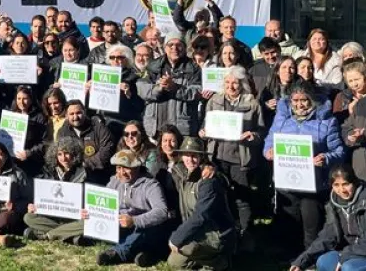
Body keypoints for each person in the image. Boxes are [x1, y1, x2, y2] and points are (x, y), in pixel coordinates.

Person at [264, 86, 344, 250]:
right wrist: (268, 152)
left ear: (312, 101)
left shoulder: (327, 122)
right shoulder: (282, 122)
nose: (300, 105)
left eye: (304, 100)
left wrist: (326, 158)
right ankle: (289, 258)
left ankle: (311, 260)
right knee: (289, 224)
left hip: (313, 185)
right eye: (295, 101)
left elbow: (339, 151)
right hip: (287, 183)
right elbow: (269, 142)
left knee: (311, 227)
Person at [200, 66, 264, 243]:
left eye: (235, 83)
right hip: (217, 156)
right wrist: (203, 132)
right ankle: (223, 231)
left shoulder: (252, 103)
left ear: (242, 84)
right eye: (227, 82)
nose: (231, 86)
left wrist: (253, 136)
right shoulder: (214, 101)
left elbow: (261, 131)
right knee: (219, 194)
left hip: (240, 158)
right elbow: (206, 125)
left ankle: (246, 233)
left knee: (242, 197)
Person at [289, 165, 366, 271]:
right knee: (324, 261)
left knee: (349, 268)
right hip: (351, 251)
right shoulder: (335, 203)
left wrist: (346, 256)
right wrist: (302, 261)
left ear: (355, 182)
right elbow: (327, 236)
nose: (341, 190)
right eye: (336, 185)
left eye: (346, 184)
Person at [167, 137, 237, 271]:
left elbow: (201, 215)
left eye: (194, 155)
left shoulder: (209, 180)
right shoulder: (181, 174)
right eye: (187, 155)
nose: (190, 159)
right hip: (198, 230)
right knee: (174, 262)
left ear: (201, 157)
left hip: (217, 234)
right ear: (181, 156)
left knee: (184, 246)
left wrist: (177, 238)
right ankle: (204, 260)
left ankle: (220, 262)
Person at [91, 150, 170, 266]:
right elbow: (104, 203)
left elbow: (162, 211)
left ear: (137, 167)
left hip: (145, 227)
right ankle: (143, 254)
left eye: (126, 168)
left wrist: (134, 221)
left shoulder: (151, 185)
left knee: (140, 233)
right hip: (122, 226)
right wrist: (91, 211)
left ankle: (117, 253)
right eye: (118, 168)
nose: (122, 172)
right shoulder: (115, 181)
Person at [137, 33, 203, 139]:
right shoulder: (153, 66)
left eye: (179, 45)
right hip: (155, 129)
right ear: (165, 47)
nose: (174, 48)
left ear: (185, 48)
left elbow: (198, 92)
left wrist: (175, 88)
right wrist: (159, 88)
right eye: (170, 44)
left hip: (182, 130)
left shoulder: (194, 68)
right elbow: (141, 89)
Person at [22, 137, 88, 241]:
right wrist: (34, 206)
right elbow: (42, 198)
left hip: (72, 219)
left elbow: (87, 201)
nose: (64, 158)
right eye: (60, 154)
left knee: (87, 223)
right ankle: (67, 234)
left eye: (67, 153)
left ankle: (48, 235)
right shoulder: (48, 172)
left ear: (75, 154)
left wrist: (85, 210)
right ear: (55, 156)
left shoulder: (83, 173)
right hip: (52, 218)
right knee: (28, 217)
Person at [57, 100, 114, 184]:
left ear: (85, 112)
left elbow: (107, 150)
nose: (75, 117)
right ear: (66, 116)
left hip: (98, 175)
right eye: (71, 114)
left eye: (78, 113)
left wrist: (85, 164)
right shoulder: (63, 132)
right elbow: (62, 153)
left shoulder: (98, 127)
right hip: (74, 176)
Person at [8, 86, 47, 176]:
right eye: (19, 98)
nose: (21, 102)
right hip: (13, 161)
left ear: (31, 99)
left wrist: (29, 152)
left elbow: (44, 142)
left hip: (31, 163)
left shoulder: (39, 117)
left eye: (25, 98)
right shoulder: (11, 115)